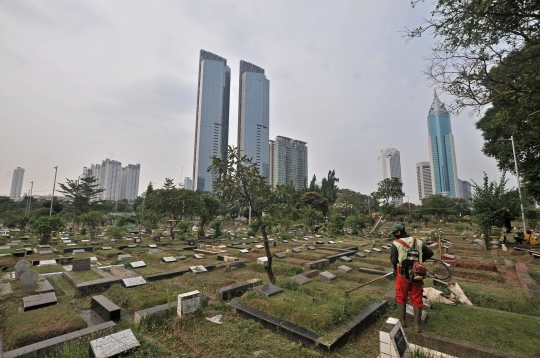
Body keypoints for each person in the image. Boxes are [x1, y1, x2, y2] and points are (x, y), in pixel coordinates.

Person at [389, 224, 434, 333]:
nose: (394, 236)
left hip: (402, 273)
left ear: (398, 232)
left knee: (401, 295)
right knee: (417, 297)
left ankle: (403, 321)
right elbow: (430, 253)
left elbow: (394, 260)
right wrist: (419, 261)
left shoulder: (396, 244)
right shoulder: (418, 242)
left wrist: (395, 269)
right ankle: (417, 325)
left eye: (394, 233)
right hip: (417, 273)